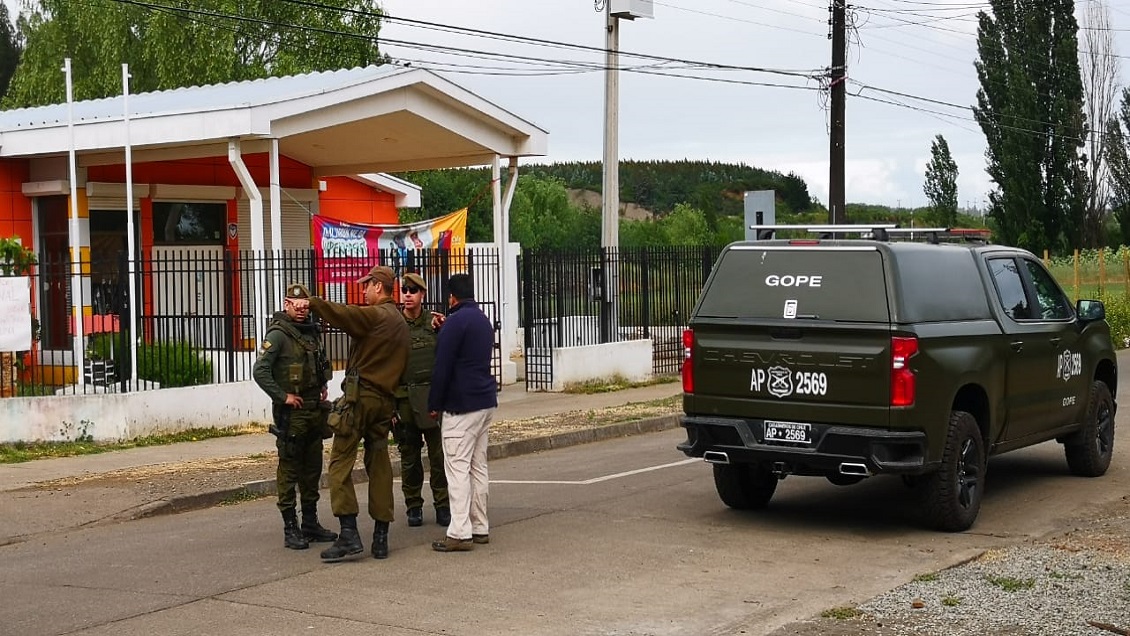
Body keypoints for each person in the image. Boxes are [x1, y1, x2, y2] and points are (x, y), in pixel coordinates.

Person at [305, 265, 409, 561]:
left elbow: (344, 314)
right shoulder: (401, 322)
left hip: (360, 399)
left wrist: (313, 303)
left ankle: (349, 534)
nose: (363, 291)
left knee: (339, 462)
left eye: (366, 285)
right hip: (385, 402)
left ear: (378, 286)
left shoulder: (376, 315)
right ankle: (380, 538)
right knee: (380, 465)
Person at [252, 283, 338, 551]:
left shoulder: (311, 332)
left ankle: (310, 523)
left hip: (314, 410)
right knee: (289, 469)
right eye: (295, 305)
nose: (301, 311)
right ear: (286, 304)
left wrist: (322, 386)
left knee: (312, 469)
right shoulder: (278, 335)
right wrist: (282, 396)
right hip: (292, 414)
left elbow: (317, 364)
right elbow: (260, 370)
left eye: (304, 306)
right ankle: (291, 527)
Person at [428, 273, 498, 552]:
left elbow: (442, 366)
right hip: (484, 401)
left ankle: (459, 532)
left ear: (451, 297)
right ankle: (480, 525)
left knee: (457, 467)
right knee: (477, 466)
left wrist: (434, 403)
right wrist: (445, 328)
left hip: (461, 405)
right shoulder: (482, 320)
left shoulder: (455, 322)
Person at [393, 272, 451, 528]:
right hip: (405, 399)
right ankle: (413, 505)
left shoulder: (435, 323)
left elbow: (447, 356)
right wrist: (391, 407)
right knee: (410, 457)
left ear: (422, 294)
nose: (407, 295)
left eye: (413, 291)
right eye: (404, 290)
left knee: (439, 457)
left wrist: (445, 327)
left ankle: (442, 505)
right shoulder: (394, 324)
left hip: (432, 400)